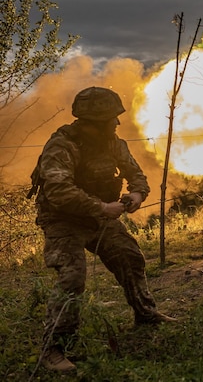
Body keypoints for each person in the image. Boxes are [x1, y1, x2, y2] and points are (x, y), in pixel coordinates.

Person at [29, 87, 177, 372]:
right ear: (91, 122)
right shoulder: (62, 145)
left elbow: (136, 174)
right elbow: (58, 191)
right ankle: (53, 350)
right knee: (72, 278)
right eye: (111, 118)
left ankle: (146, 314)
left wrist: (136, 194)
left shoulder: (113, 143)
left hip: (99, 218)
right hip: (63, 220)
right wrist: (101, 208)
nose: (116, 123)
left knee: (129, 256)